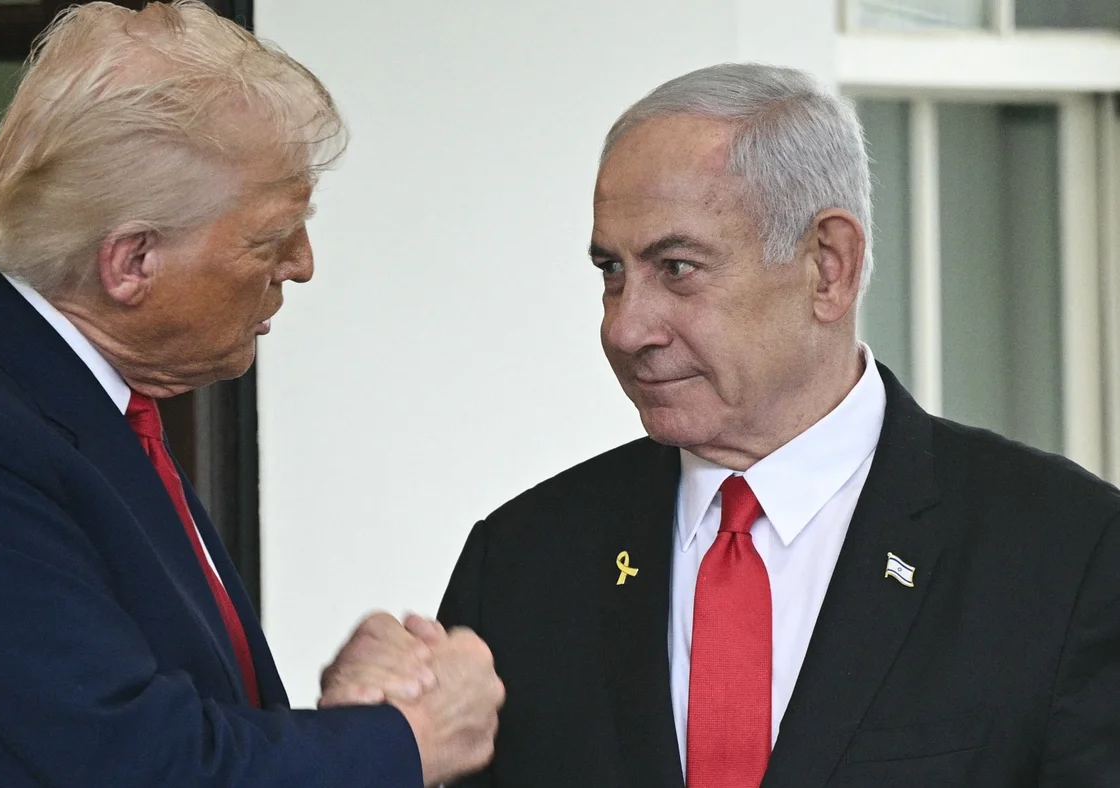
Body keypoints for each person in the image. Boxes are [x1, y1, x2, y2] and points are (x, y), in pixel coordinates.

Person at [0, 2, 502, 785]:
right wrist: (407, 739)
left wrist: (351, 723)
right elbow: (131, 766)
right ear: (131, 263)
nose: (301, 265)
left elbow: (141, 717)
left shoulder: (34, 379)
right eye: (269, 237)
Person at [436, 63, 1120, 787]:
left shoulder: (1069, 554)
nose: (625, 328)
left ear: (828, 267)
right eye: (612, 271)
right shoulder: (521, 563)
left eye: (677, 268)